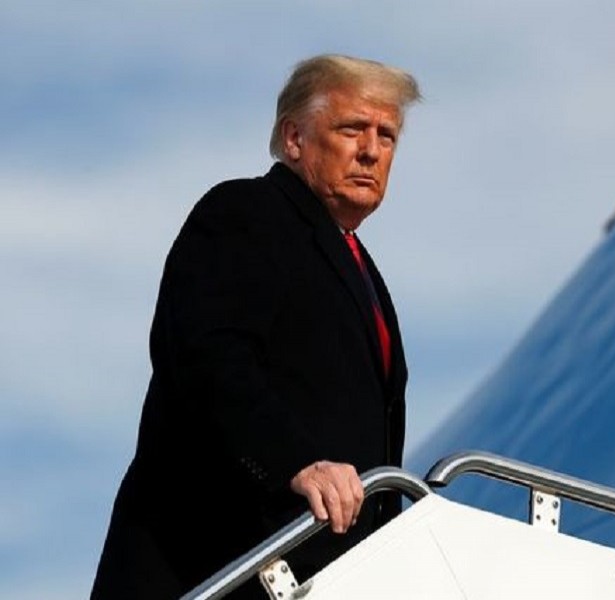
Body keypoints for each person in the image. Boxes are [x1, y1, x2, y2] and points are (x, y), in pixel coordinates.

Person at [90, 54, 421, 599]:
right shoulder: (244, 213)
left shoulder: (362, 268)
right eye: (351, 129)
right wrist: (296, 462)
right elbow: (207, 359)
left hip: (322, 574)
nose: (371, 150)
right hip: (211, 564)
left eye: (386, 136)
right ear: (294, 139)